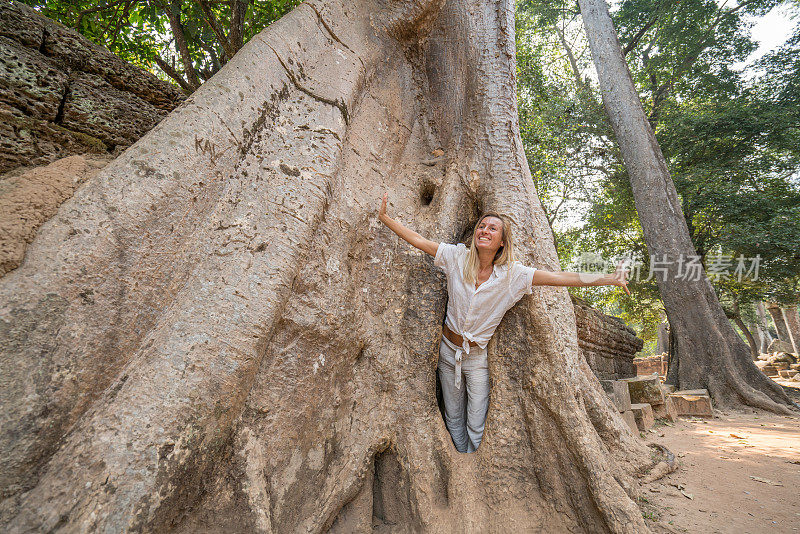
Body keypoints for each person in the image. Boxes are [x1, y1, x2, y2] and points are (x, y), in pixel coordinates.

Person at [378, 193, 631, 453]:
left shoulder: (513, 276)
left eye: (492, 228)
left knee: (476, 420)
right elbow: (419, 241)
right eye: (481, 226)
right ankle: (460, 464)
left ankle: (473, 465)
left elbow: (559, 276)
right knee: (453, 416)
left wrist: (610, 278)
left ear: (501, 242)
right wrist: (385, 218)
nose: (484, 231)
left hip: (476, 357)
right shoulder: (457, 258)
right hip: (447, 351)